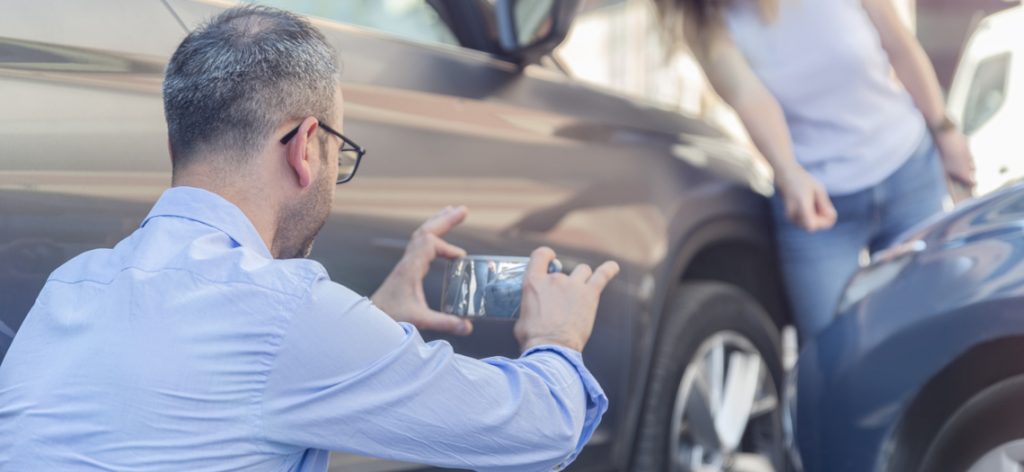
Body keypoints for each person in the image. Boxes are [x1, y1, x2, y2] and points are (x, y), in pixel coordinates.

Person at [0, 6, 620, 471]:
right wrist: (556, 339)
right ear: (304, 147)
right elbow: (537, 429)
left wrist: (373, 318)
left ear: (174, 147)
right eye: (337, 152)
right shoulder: (287, 312)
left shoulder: (73, 285)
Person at [653, 0, 976, 339]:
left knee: (938, 325)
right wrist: (789, 171)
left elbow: (900, 45)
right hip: (817, 208)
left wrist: (944, 130)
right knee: (831, 351)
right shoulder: (705, 23)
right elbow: (750, 97)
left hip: (907, 173)